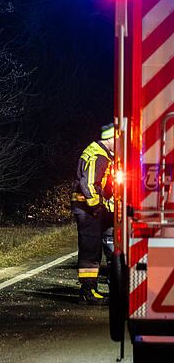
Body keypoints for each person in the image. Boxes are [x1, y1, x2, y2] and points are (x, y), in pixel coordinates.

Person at [71, 123, 115, 305]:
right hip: (87, 210)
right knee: (90, 251)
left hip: (86, 209)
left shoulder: (97, 151)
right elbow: (88, 184)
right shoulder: (99, 155)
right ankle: (88, 292)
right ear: (111, 139)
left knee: (93, 249)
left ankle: (89, 290)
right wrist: (99, 207)